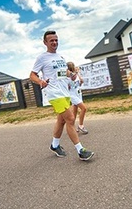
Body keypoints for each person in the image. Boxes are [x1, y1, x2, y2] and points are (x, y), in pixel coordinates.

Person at [29, 30, 94, 161]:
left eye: (56, 40)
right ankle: (81, 150)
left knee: (61, 120)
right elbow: (32, 75)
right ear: (45, 42)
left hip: (65, 93)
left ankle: (55, 145)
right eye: (51, 40)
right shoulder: (42, 58)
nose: (54, 42)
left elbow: (63, 72)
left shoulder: (60, 57)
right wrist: (40, 81)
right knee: (70, 119)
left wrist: (72, 75)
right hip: (54, 93)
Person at [67, 62, 89, 134]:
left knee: (75, 110)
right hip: (72, 94)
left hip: (78, 92)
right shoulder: (68, 75)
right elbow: (72, 78)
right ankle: (81, 125)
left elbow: (81, 81)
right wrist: (76, 72)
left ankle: (72, 126)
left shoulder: (76, 74)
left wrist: (78, 75)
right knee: (84, 108)